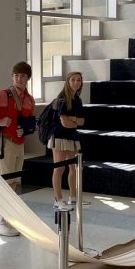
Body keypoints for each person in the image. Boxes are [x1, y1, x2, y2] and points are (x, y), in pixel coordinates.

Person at [0, 61, 35, 237]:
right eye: (16, 75)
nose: (19, 78)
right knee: (5, 182)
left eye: (23, 75)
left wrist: (24, 129)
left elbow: (30, 122)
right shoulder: (3, 95)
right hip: (3, 142)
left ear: (27, 78)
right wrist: (0, 122)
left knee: (14, 182)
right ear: (12, 76)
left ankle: (7, 218)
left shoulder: (29, 99)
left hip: (18, 142)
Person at [48, 71, 85, 209]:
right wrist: (74, 120)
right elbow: (65, 123)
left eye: (79, 80)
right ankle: (58, 200)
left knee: (74, 167)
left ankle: (73, 197)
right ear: (68, 82)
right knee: (59, 168)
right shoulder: (63, 98)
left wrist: (73, 120)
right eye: (73, 80)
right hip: (59, 136)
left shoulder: (78, 99)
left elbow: (82, 121)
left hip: (72, 137)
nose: (76, 82)